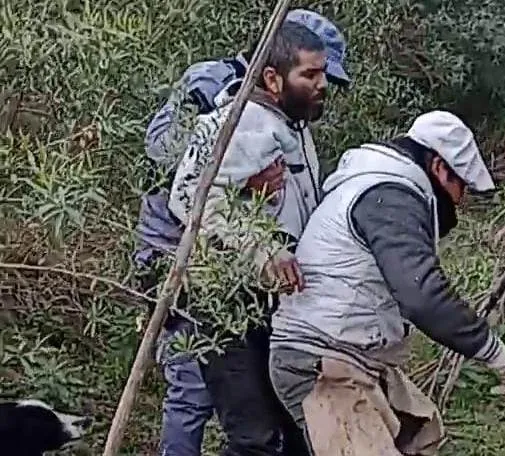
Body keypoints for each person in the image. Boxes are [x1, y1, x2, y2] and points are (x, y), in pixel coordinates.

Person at [132, 10, 351, 456]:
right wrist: (259, 242)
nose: (322, 85)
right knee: (214, 408)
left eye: (323, 74)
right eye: (310, 74)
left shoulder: (290, 122)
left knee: (276, 424)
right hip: (214, 288)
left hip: (258, 296)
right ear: (273, 76)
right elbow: (187, 193)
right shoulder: (232, 112)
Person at [268, 111, 505, 455]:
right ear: (438, 167)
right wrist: (489, 349)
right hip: (320, 360)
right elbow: (421, 293)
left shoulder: (379, 186)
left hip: (353, 356)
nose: (460, 200)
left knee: (421, 436)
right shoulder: (390, 196)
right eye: (460, 184)